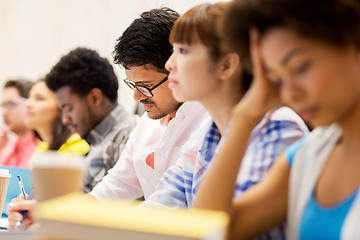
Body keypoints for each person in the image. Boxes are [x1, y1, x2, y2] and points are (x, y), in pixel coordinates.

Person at [7, 7, 208, 229]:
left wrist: (60, 217)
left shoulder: (205, 122)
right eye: (133, 85)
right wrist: (49, 214)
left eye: (147, 86)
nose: (137, 96)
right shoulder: (145, 126)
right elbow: (109, 192)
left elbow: (164, 209)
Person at [193, 0, 360, 239]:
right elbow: (210, 229)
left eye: (300, 67)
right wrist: (245, 115)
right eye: (277, 79)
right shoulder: (308, 156)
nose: (291, 93)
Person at [142, 3, 307, 238]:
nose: (169, 64)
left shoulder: (280, 127)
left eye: (183, 51)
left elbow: (222, 229)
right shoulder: (205, 130)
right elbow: (159, 208)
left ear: (227, 65)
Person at [45, 47, 136, 192]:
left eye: (68, 108)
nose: (65, 119)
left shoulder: (129, 137)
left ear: (95, 98)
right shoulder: (98, 141)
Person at [25, 79, 89, 154]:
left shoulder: (77, 148)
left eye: (39, 98)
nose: (28, 104)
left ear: (62, 106)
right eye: (29, 97)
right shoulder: (41, 148)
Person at [0, 79, 39, 168]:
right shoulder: (7, 146)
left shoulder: (42, 147)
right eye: (3, 105)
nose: (4, 112)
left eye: (11, 104)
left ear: (29, 104)